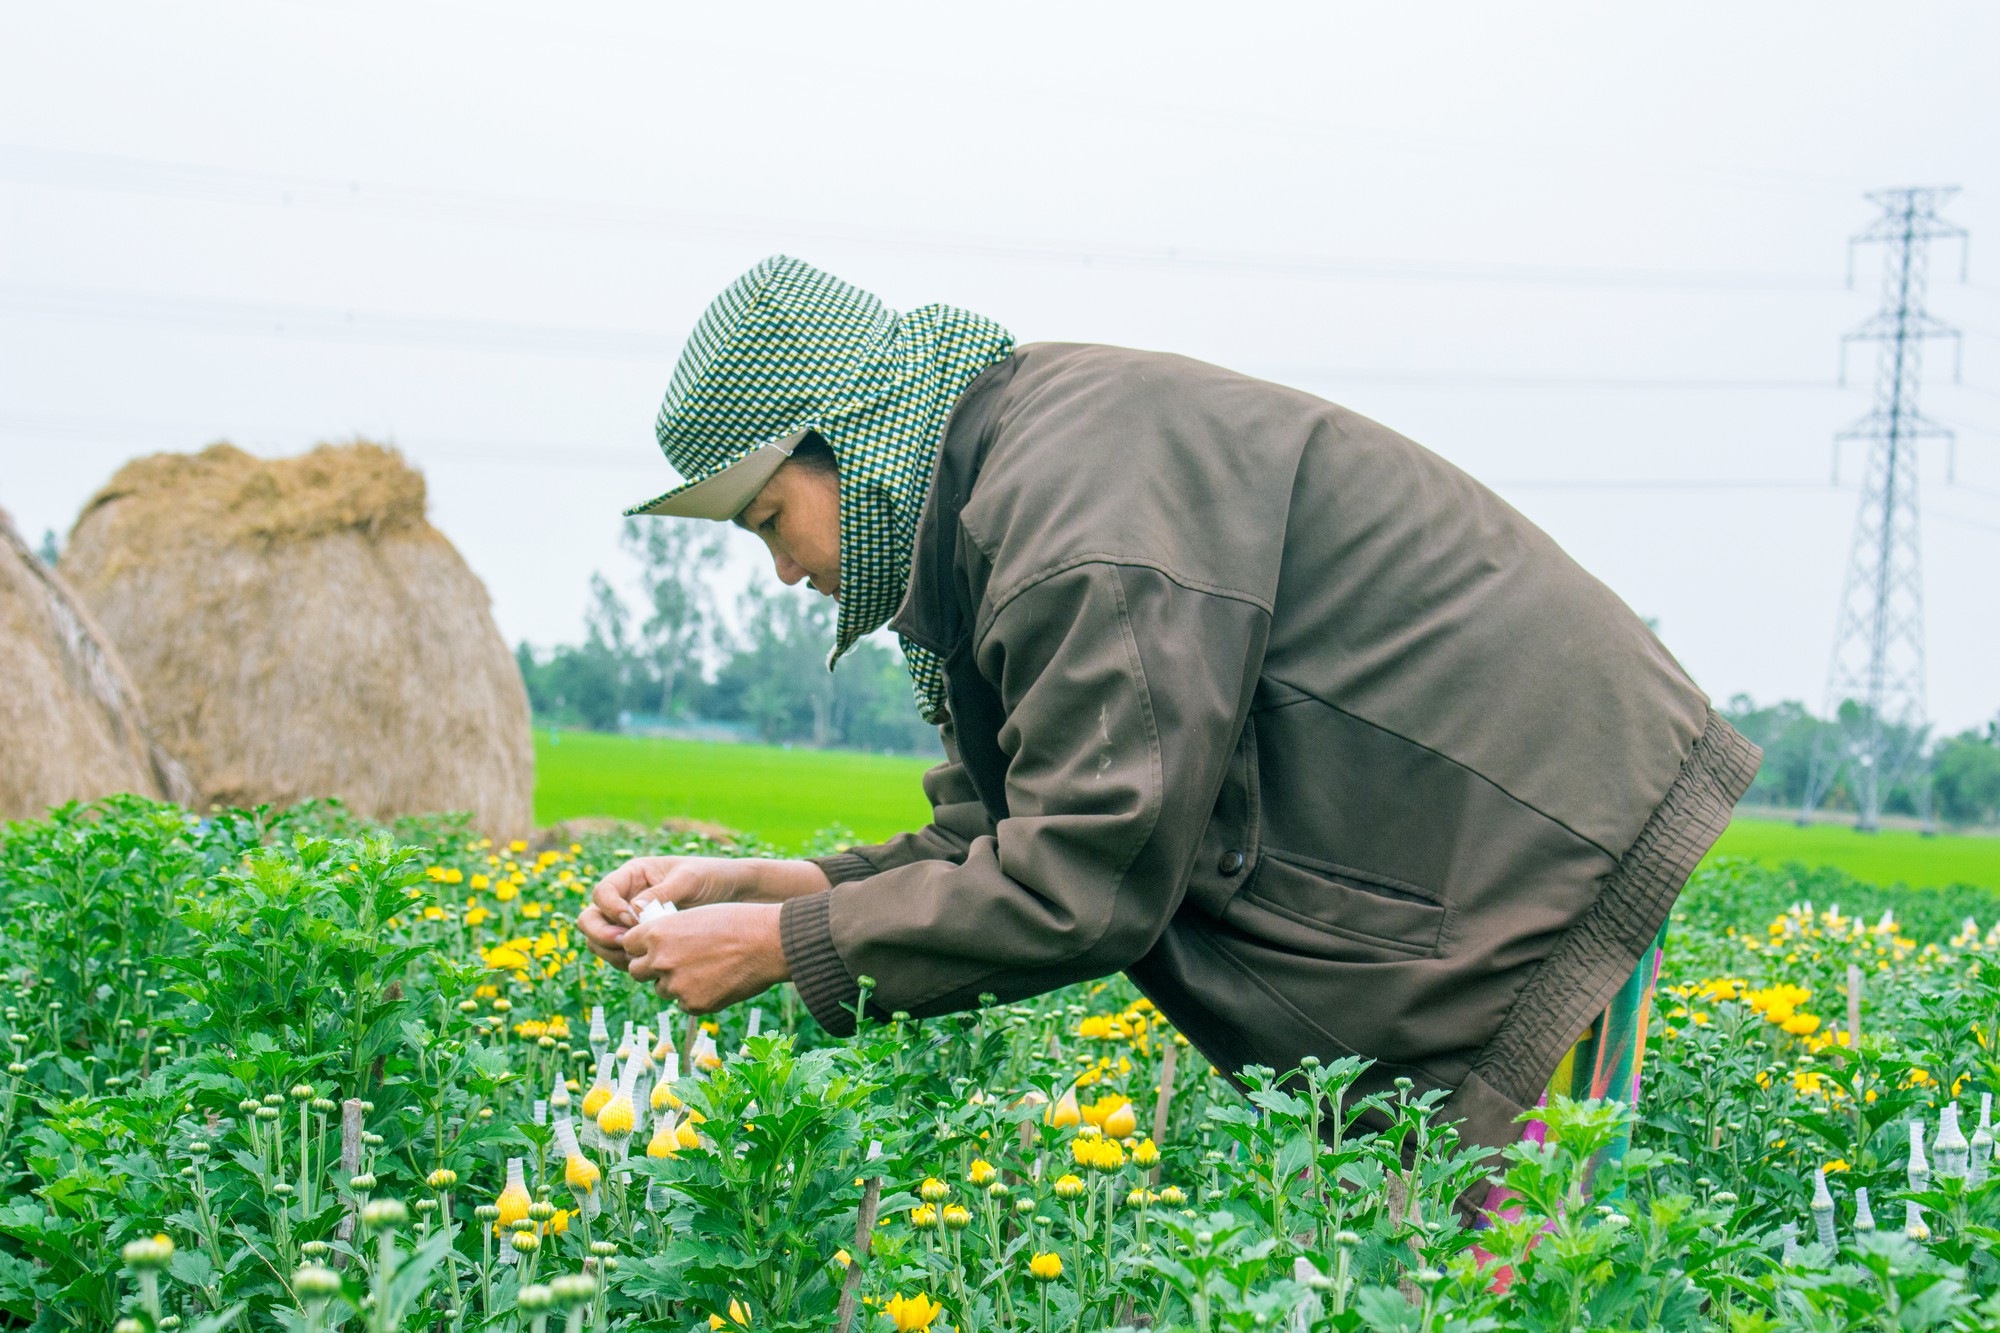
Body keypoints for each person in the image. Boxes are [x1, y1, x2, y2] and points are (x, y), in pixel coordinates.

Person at [576, 255, 1760, 1212]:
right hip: (1474, 851)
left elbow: (1080, 878)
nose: (785, 571)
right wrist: (769, 888)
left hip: (1541, 849)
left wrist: (785, 946)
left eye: (773, 520)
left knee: (1519, 1277)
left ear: (851, 443)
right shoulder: (1014, 479)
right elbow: (1006, 831)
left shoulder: (1068, 517)